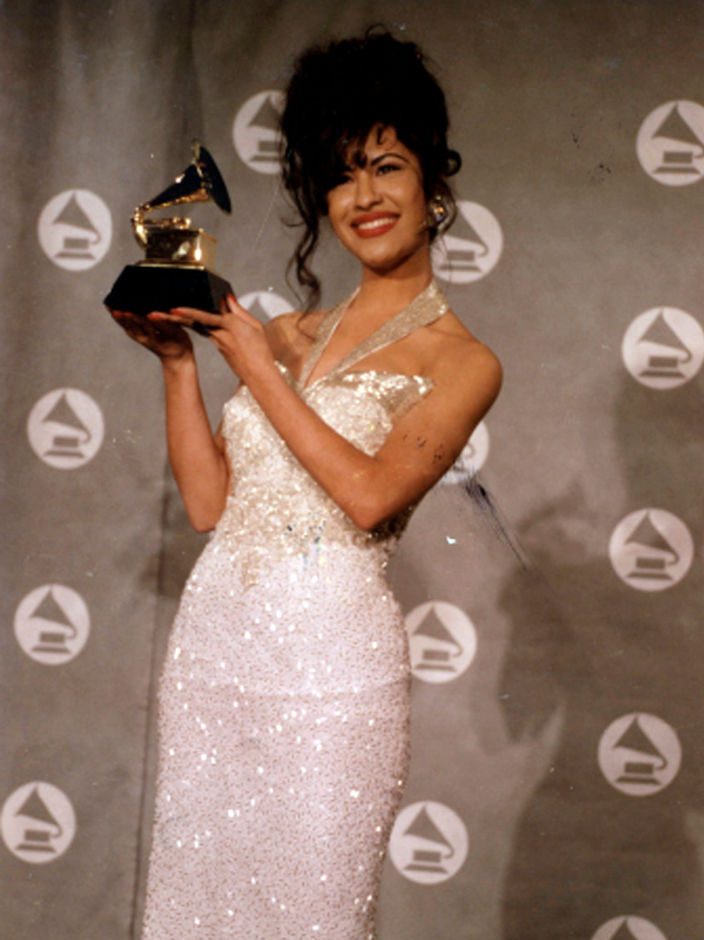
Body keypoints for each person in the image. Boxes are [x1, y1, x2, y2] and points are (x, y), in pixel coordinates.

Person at [112, 28, 501, 940]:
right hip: (215, 654)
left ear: (432, 185)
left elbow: (367, 497)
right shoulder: (289, 337)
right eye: (339, 175)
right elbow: (212, 505)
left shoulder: (465, 363)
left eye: (387, 166)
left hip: (333, 675)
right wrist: (179, 366)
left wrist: (253, 366)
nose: (363, 197)